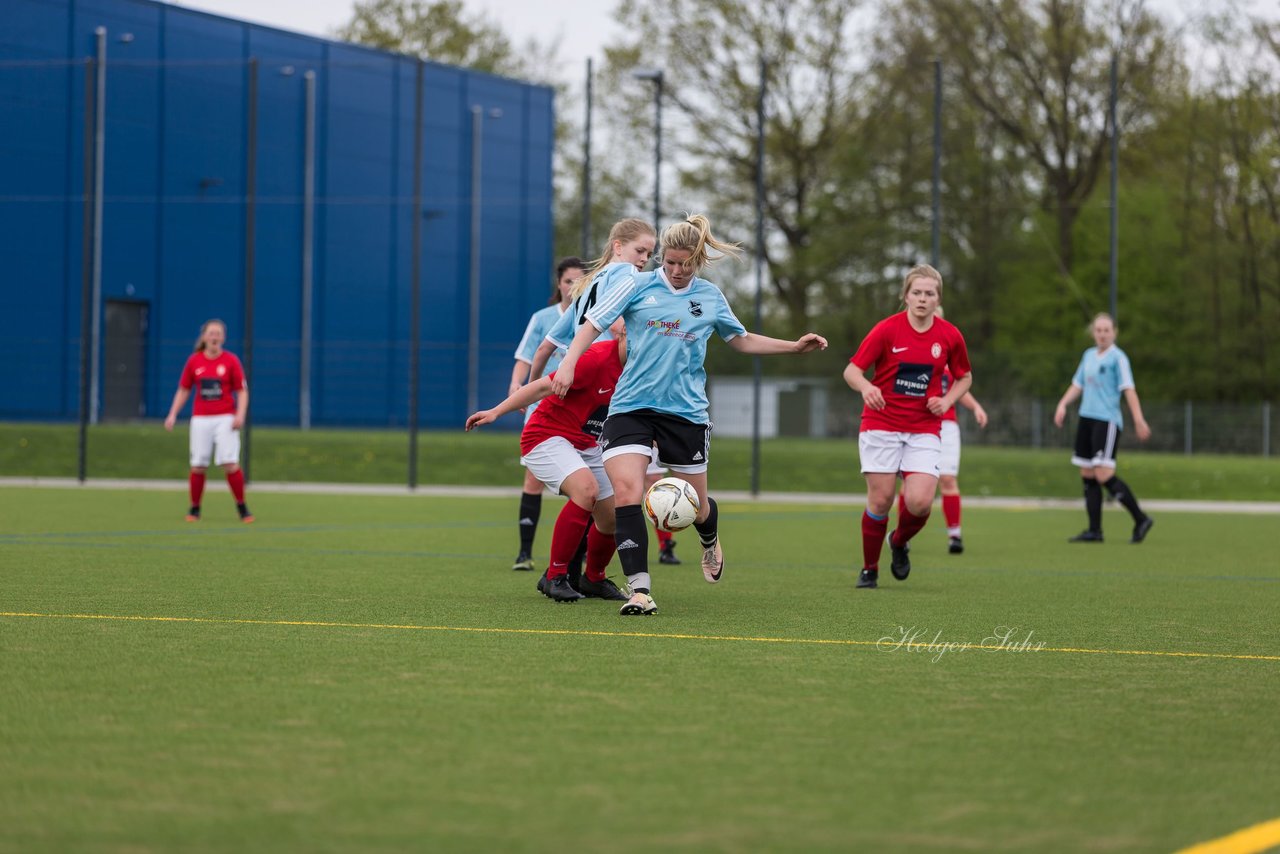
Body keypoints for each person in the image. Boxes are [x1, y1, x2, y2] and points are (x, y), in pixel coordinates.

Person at [554, 214, 827, 616]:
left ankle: (709, 536)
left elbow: (742, 339)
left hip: (685, 413)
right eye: (670, 263)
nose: (677, 271)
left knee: (697, 507)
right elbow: (593, 323)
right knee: (628, 493)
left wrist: (794, 347)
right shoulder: (636, 285)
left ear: (698, 261)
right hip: (631, 406)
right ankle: (640, 591)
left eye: (686, 264)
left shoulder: (711, 297)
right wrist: (568, 363)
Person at [529, 219, 683, 567]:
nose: (644, 259)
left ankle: (580, 571)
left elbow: (543, 350)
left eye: (648, 253)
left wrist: (536, 392)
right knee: (619, 490)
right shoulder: (626, 277)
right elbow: (611, 322)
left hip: (580, 400)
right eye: (639, 250)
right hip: (607, 384)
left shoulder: (586, 286)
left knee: (604, 496)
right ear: (617, 246)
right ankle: (580, 572)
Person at [466, 318, 633, 603]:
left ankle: (593, 578)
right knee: (586, 490)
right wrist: (496, 411)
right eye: (638, 335)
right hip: (545, 436)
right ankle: (554, 576)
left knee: (613, 516)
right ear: (623, 333)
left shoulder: (644, 369)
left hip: (587, 444)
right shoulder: (595, 359)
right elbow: (543, 387)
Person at [843, 265, 972, 589]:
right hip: (881, 424)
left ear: (938, 297)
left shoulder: (949, 335)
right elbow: (852, 371)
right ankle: (869, 568)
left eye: (930, 293)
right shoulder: (887, 330)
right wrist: (866, 388)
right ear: (906, 295)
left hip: (924, 428)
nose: (923, 299)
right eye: (917, 292)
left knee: (920, 502)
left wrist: (946, 400)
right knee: (882, 500)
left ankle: (898, 541)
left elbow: (965, 376)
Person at [507, 257, 586, 572]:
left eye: (580, 282)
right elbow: (527, 356)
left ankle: (575, 560)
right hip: (543, 408)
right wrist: (517, 384)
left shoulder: (594, 318)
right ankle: (525, 553)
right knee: (533, 478)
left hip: (581, 412)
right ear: (559, 283)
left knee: (585, 483)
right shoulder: (543, 318)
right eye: (568, 281)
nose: (573, 287)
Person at [1053, 312, 1154, 543]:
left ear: (1114, 333)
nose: (1102, 334)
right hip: (1086, 418)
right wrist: (1062, 404)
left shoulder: (1118, 358)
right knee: (1087, 473)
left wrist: (1138, 419)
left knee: (1103, 473)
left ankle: (1141, 519)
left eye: (1106, 330)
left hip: (1106, 421)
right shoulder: (1088, 355)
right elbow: (1077, 384)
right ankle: (1094, 531)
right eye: (1098, 330)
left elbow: (1129, 389)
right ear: (1093, 333)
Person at [163, 319, 253, 523]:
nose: (215, 337)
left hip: (225, 418)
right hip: (201, 419)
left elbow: (242, 390)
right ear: (204, 336)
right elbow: (184, 389)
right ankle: (195, 508)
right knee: (198, 465)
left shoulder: (231, 360)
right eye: (211, 333)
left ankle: (242, 507)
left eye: (218, 334)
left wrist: (240, 414)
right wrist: (172, 414)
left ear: (223, 337)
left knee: (230, 463)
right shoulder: (194, 361)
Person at [933, 306, 988, 554]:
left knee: (947, 479)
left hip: (946, 426)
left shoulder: (948, 352)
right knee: (913, 485)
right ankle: (904, 537)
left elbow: (960, 384)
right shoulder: (909, 350)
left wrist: (976, 406)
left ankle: (954, 535)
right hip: (917, 424)